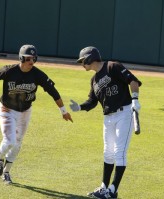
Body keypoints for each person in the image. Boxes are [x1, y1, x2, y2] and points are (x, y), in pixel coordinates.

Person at [0, 44, 73, 184]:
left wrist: (63, 111)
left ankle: (6, 172)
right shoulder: (9, 71)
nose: (31, 61)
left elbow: (52, 91)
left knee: (17, 144)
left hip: (25, 112)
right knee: (9, 140)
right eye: (28, 58)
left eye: (34, 58)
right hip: (7, 110)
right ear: (21, 58)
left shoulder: (37, 74)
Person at [69, 46, 141, 198]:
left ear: (90, 58)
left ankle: (113, 190)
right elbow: (92, 101)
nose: (82, 64)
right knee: (108, 153)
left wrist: (135, 99)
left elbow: (132, 80)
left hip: (125, 113)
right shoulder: (94, 79)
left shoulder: (112, 66)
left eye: (83, 61)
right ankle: (104, 187)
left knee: (119, 153)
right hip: (108, 117)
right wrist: (79, 107)